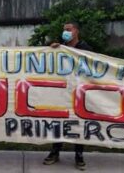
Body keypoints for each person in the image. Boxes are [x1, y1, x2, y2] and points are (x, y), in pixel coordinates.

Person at [43, 22, 92, 171]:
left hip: (79, 93)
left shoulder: (86, 49)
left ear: (76, 31)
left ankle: (79, 155)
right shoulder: (59, 48)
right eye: (64, 30)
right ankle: (55, 151)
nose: (66, 32)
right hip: (61, 92)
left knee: (78, 122)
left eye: (69, 29)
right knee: (58, 122)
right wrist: (51, 49)